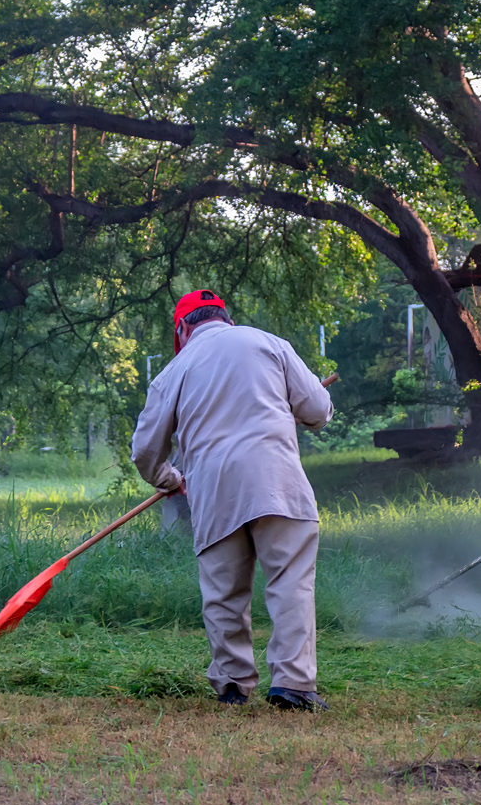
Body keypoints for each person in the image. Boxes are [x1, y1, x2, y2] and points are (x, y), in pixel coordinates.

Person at [132, 290, 336, 711]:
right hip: (279, 483)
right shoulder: (270, 344)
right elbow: (317, 409)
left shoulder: (174, 370)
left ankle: (231, 685)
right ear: (224, 317)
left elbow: (145, 451)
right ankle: (294, 685)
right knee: (290, 584)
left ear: (182, 329)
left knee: (224, 593)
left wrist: (169, 479)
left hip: (214, 490)